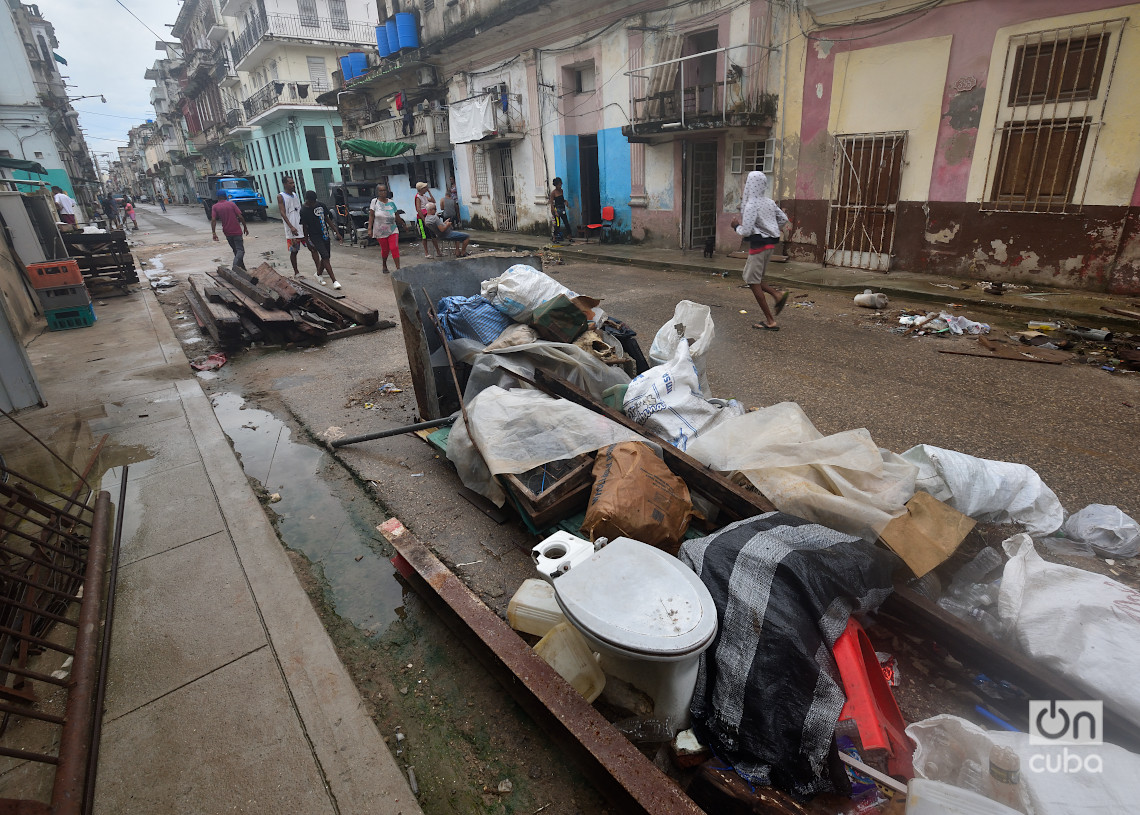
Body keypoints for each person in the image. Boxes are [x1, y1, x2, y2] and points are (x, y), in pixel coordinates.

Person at [730, 170, 789, 331]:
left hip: (758, 246)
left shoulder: (751, 204)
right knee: (755, 278)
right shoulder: (769, 202)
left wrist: (736, 227)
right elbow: (783, 219)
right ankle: (777, 295)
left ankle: (770, 320)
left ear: (749, 185)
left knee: (752, 281)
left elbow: (747, 231)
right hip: (770, 246)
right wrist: (770, 228)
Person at [299, 189, 342, 288]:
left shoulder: (321, 205)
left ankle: (318, 274)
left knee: (326, 256)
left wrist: (336, 231)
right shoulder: (304, 210)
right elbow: (304, 227)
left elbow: (327, 219)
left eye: (314, 201)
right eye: (311, 202)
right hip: (314, 236)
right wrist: (307, 241)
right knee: (325, 257)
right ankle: (334, 281)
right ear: (307, 200)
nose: (313, 203)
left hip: (325, 234)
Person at [368, 183, 404, 274]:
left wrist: (403, 224)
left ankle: (398, 269)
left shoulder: (391, 202)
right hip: (380, 231)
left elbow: (396, 215)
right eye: (381, 190)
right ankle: (384, 264)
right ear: (377, 192)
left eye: (384, 190)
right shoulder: (374, 202)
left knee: (394, 247)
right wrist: (369, 229)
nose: (383, 192)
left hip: (392, 229)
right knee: (385, 250)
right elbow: (371, 216)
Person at [210, 191, 249, 270]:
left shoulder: (215, 207)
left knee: (235, 250)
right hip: (236, 230)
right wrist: (245, 227)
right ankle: (235, 265)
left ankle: (242, 269)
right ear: (226, 196)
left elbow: (213, 220)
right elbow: (240, 216)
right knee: (240, 251)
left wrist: (214, 233)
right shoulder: (231, 204)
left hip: (227, 232)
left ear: (217, 198)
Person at [277, 176, 306, 277]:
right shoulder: (281, 196)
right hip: (292, 228)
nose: (293, 185)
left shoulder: (295, 195)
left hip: (301, 226)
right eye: (290, 183)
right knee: (294, 250)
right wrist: (291, 227)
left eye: (293, 182)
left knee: (312, 247)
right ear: (285, 184)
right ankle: (296, 272)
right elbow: (282, 212)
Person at [414, 181, 441, 258]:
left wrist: (429, 192)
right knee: (424, 236)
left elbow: (433, 200)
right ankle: (426, 253)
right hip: (422, 218)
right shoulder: (418, 197)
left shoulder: (424, 197)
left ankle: (438, 251)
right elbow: (418, 209)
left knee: (433, 235)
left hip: (429, 217)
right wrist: (423, 219)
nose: (426, 189)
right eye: (425, 188)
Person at [550, 177, 572, 243]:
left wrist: (565, 201)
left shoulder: (561, 191)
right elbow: (551, 203)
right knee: (557, 225)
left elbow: (562, 200)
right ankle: (554, 237)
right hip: (557, 209)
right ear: (556, 185)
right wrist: (555, 211)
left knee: (566, 223)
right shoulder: (553, 193)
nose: (560, 186)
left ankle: (569, 236)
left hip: (562, 208)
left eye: (561, 184)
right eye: (559, 185)